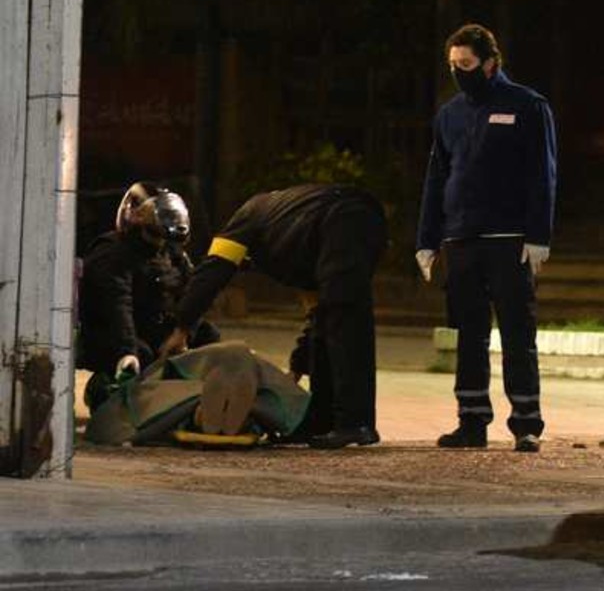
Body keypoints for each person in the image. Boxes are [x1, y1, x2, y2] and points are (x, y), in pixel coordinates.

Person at [417, 23, 558, 452]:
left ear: (491, 63)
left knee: (518, 331)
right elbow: (436, 176)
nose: (460, 72)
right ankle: (471, 420)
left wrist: (538, 235)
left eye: (467, 64)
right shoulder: (450, 114)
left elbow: (543, 174)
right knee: (469, 333)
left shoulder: (528, 106)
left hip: (509, 238)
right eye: (453, 65)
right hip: (461, 239)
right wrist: (427, 238)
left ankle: (526, 423)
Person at [161, 184, 387, 449]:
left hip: (341, 221)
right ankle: (323, 421)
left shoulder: (243, 220)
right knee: (333, 318)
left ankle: (355, 424)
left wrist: (182, 328)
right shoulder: (295, 241)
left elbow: (212, 272)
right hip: (367, 221)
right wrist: (298, 365)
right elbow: (317, 316)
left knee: (344, 320)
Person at [78, 182, 222, 408]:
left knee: (209, 336)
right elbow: (116, 306)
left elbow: (191, 292)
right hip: (114, 333)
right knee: (140, 356)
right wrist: (127, 351)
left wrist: (184, 332)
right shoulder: (112, 252)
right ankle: (110, 392)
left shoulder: (171, 251)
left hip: (155, 327)